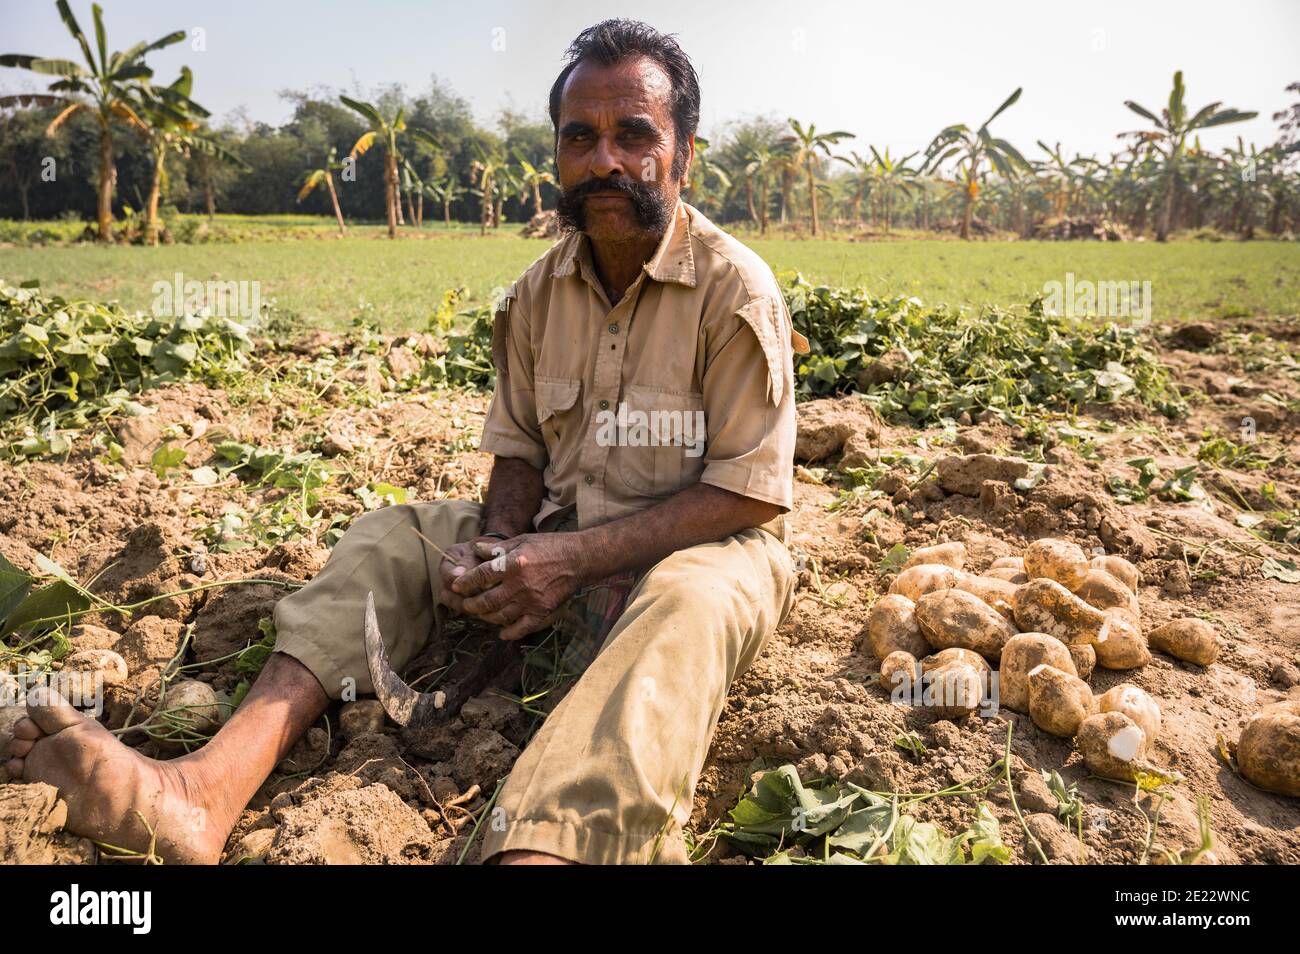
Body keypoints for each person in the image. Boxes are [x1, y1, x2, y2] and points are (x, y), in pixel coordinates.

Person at [3, 17, 808, 865]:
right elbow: (523, 455)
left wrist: (573, 561)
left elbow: (750, 491)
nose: (604, 160)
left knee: (688, 599)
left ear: (684, 153)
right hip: (565, 537)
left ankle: (545, 850)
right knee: (395, 536)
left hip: (711, 551)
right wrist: (501, 545)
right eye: (580, 138)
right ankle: (201, 792)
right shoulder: (538, 294)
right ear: (558, 155)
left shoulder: (735, 290)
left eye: (633, 135)